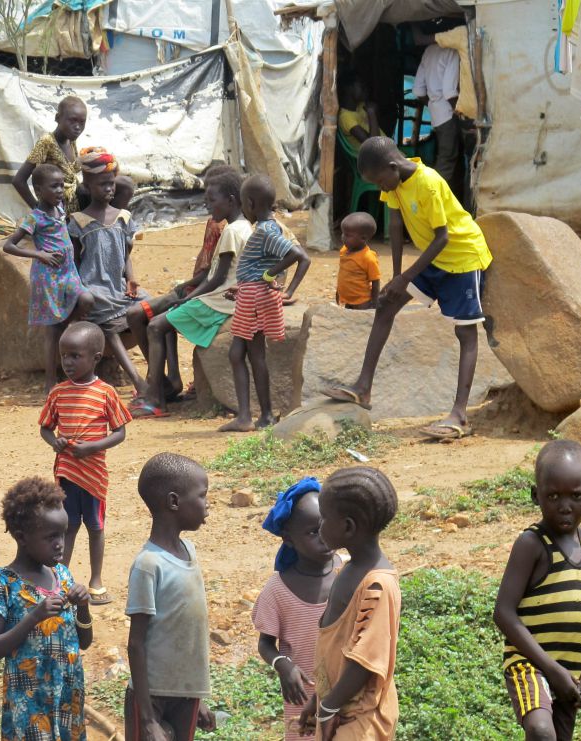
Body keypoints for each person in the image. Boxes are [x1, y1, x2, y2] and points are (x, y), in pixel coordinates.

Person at [322, 137, 492, 441]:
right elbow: (396, 227)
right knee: (387, 304)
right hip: (432, 259)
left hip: (462, 258)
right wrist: (398, 276)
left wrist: (407, 276)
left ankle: (460, 416)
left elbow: (443, 237)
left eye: (379, 181)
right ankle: (363, 387)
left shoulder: (427, 183)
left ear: (391, 167)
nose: (380, 189)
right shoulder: (394, 184)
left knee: (465, 332)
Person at [493, 440, 581, 741]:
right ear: (535, 495)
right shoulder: (532, 544)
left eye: (577, 496)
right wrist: (550, 667)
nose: (565, 506)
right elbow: (503, 613)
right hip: (530, 665)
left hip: (570, 673)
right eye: (553, 496)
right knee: (541, 731)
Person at [130, 170, 251, 418]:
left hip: (219, 303)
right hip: (225, 299)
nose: (208, 207)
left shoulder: (231, 232)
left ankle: (155, 399)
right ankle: (166, 385)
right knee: (164, 319)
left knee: (155, 326)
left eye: (211, 200)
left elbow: (216, 278)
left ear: (230, 199)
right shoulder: (244, 227)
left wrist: (190, 298)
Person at [0, 477, 93, 741]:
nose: (60, 544)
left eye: (63, 534)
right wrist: (34, 616)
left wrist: (84, 607)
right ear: (21, 537)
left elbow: (85, 642)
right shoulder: (3, 582)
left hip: (68, 698)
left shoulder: (62, 576)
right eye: (51, 536)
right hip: (29, 704)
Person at [299, 466, 400, 741]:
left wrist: (328, 707)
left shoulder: (378, 585)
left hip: (361, 719)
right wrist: (320, 699)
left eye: (323, 519)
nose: (319, 526)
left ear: (347, 526)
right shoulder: (348, 570)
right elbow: (335, 649)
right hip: (339, 707)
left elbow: (365, 661)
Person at [39, 321, 131, 605]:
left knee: (95, 526)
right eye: (64, 355)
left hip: (93, 475)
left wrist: (93, 446)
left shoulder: (106, 393)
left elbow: (120, 432)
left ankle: (96, 581)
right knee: (67, 527)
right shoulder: (58, 393)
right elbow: (45, 427)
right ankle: (60, 578)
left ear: (95, 358)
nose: (67, 362)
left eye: (75, 356)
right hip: (66, 473)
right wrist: (55, 442)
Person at [125, 453, 216, 741]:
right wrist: (148, 719)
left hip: (185, 695)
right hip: (152, 698)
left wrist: (196, 697)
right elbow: (136, 644)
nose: (207, 504)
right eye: (202, 496)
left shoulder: (190, 550)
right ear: (174, 502)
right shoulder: (148, 565)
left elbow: (189, 634)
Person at [220, 175, 311, 433]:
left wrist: (279, 283)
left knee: (255, 355)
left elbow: (300, 256)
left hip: (256, 298)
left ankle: (266, 415)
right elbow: (260, 264)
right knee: (236, 353)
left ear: (248, 202)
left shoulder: (266, 229)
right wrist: (246, 285)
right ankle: (246, 416)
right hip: (250, 294)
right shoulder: (265, 229)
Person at [254, 478, 342, 741]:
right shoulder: (278, 590)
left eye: (327, 526)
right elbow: (265, 644)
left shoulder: (345, 574)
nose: (324, 537)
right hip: (303, 694)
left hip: (343, 688)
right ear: (289, 540)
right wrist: (283, 665)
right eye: (313, 532)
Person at [3, 163, 94, 392]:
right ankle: (50, 382)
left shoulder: (61, 208)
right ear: (38, 190)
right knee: (52, 330)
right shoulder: (35, 217)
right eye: (54, 186)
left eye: (61, 185)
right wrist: (38, 253)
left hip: (68, 272)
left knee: (86, 300)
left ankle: (64, 324)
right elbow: (9, 245)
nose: (59, 190)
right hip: (48, 277)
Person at [68, 147, 148, 396]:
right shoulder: (78, 221)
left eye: (111, 184)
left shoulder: (123, 217)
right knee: (109, 324)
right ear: (88, 185)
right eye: (103, 184)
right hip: (94, 286)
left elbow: (125, 256)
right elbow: (75, 261)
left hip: (118, 285)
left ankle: (157, 377)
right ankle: (138, 381)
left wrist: (131, 278)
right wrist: (79, 290)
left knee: (150, 307)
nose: (109, 189)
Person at [13, 95, 87, 214]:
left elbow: (71, 172)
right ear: (58, 118)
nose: (77, 127)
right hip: (57, 210)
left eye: (82, 122)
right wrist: (39, 210)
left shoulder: (71, 140)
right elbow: (19, 180)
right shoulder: (47, 141)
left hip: (74, 206)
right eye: (72, 121)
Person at [412, 43, 461, 193]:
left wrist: (434, 105)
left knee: (447, 159)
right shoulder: (452, 51)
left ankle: (445, 202)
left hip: (437, 116)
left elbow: (418, 90)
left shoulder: (429, 50)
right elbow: (450, 92)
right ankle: (434, 200)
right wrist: (461, 114)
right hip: (449, 115)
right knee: (446, 162)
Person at [335, 212, 381, 310]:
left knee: (362, 322)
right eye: (343, 233)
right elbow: (343, 273)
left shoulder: (368, 257)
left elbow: (375, 281)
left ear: (363, 238)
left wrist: (375, 302)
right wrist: (338, 292)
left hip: (362, 301)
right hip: (347, 299)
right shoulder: (344, 250)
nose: (343, 237)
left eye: (348, 235)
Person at [338, 73, 387, 150]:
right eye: (361, 86)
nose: (364, 89)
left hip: (387, 154)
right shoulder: (346, 117)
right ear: (349, 89)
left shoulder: (360, 106)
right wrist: (371, 113)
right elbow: (373, 145)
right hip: (377, 159)